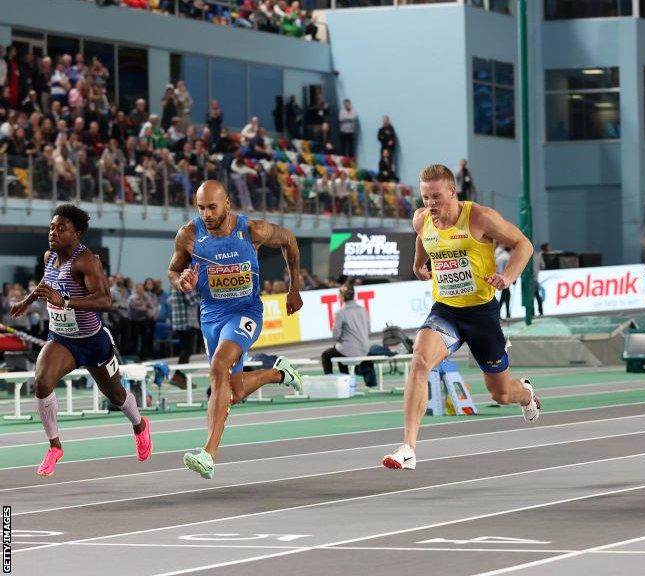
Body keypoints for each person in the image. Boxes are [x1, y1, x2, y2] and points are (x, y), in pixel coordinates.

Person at [381, 164, 541, 470]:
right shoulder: (421, 219)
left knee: (501, 392)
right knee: (419, 361)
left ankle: (527, 394)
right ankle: (409, 448)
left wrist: (507, 277)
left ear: (453, 191)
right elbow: (422, 239)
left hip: (482, 315)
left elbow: (524, 244)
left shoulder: (480, 217)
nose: (430, 204)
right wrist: (418, 265)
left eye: (437, 197)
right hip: (446, 312)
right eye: (425, 197)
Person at [168, 180, 305, 479]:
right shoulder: (190, 235)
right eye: (201, 207)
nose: (206, 213)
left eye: (212, 207)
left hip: (246, 312)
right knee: (234, 391)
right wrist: (181, 282)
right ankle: (278, 373)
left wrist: (294, 288)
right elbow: (173, 270)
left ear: (227, 203)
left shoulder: (251, 230)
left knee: (219, 366)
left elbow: (289, 240)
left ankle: (208, 453)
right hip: (211, 316)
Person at [9, 204, 151, 477]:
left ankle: (139, 425)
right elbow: (46, 284)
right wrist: (26, 301)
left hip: (92, 340)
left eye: (62, 228)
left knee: (116, 395)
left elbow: (106, 301)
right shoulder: (50, 257)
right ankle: (55, 447)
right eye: (52, 227)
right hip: (62, 339)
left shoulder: (86, 261)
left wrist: (66, 301)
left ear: (77, 235)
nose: (54, 232)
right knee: (41, 382)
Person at [320, 284, 376, 388]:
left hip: (348, 350)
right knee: (341, 351)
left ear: (341, 297)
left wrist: (342, 340)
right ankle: (351, 382)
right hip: (364, 349)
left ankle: (332, 383)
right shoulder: (363, 310)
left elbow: (336, 335)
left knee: (327, 355)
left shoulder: (340, 313)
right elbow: (368, 330)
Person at [494, 244, 512, 319]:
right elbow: (507, 269)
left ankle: (505, 313)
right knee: (505, 297)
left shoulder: (499, 255)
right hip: (503, 279)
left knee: (505, 296)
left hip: (500, 277)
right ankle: (501, 313)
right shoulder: (506, 257)